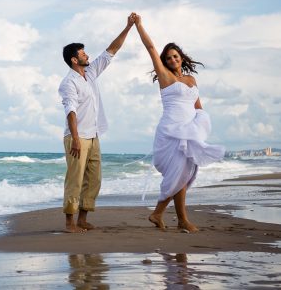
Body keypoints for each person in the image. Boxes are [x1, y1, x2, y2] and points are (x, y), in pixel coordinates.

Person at [133, 14, 225, 233]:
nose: (172, 60)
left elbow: (198, 107)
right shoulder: (165, 77)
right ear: (164, 62)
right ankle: (174, 218)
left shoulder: (191, 81)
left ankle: (162, 215)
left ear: (181, 58)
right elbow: (151, 48)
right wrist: (138, 25)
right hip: (170, 132)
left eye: (175, 56)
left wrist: (199, 128)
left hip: (189, 132)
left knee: (184, 174)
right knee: (178, 174)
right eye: (168, 58)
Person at [59, 14, 136, 233]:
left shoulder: (90, 73)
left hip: (93, 136)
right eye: (83, 53)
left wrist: (128, 27)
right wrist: (75, 138)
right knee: (75, 179)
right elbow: (70, 111)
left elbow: (111, 50)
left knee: (94, 179)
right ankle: (69, 223)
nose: (87, 55)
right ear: (74, 59)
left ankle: (83, 219)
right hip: (77, 137)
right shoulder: (68, 83)